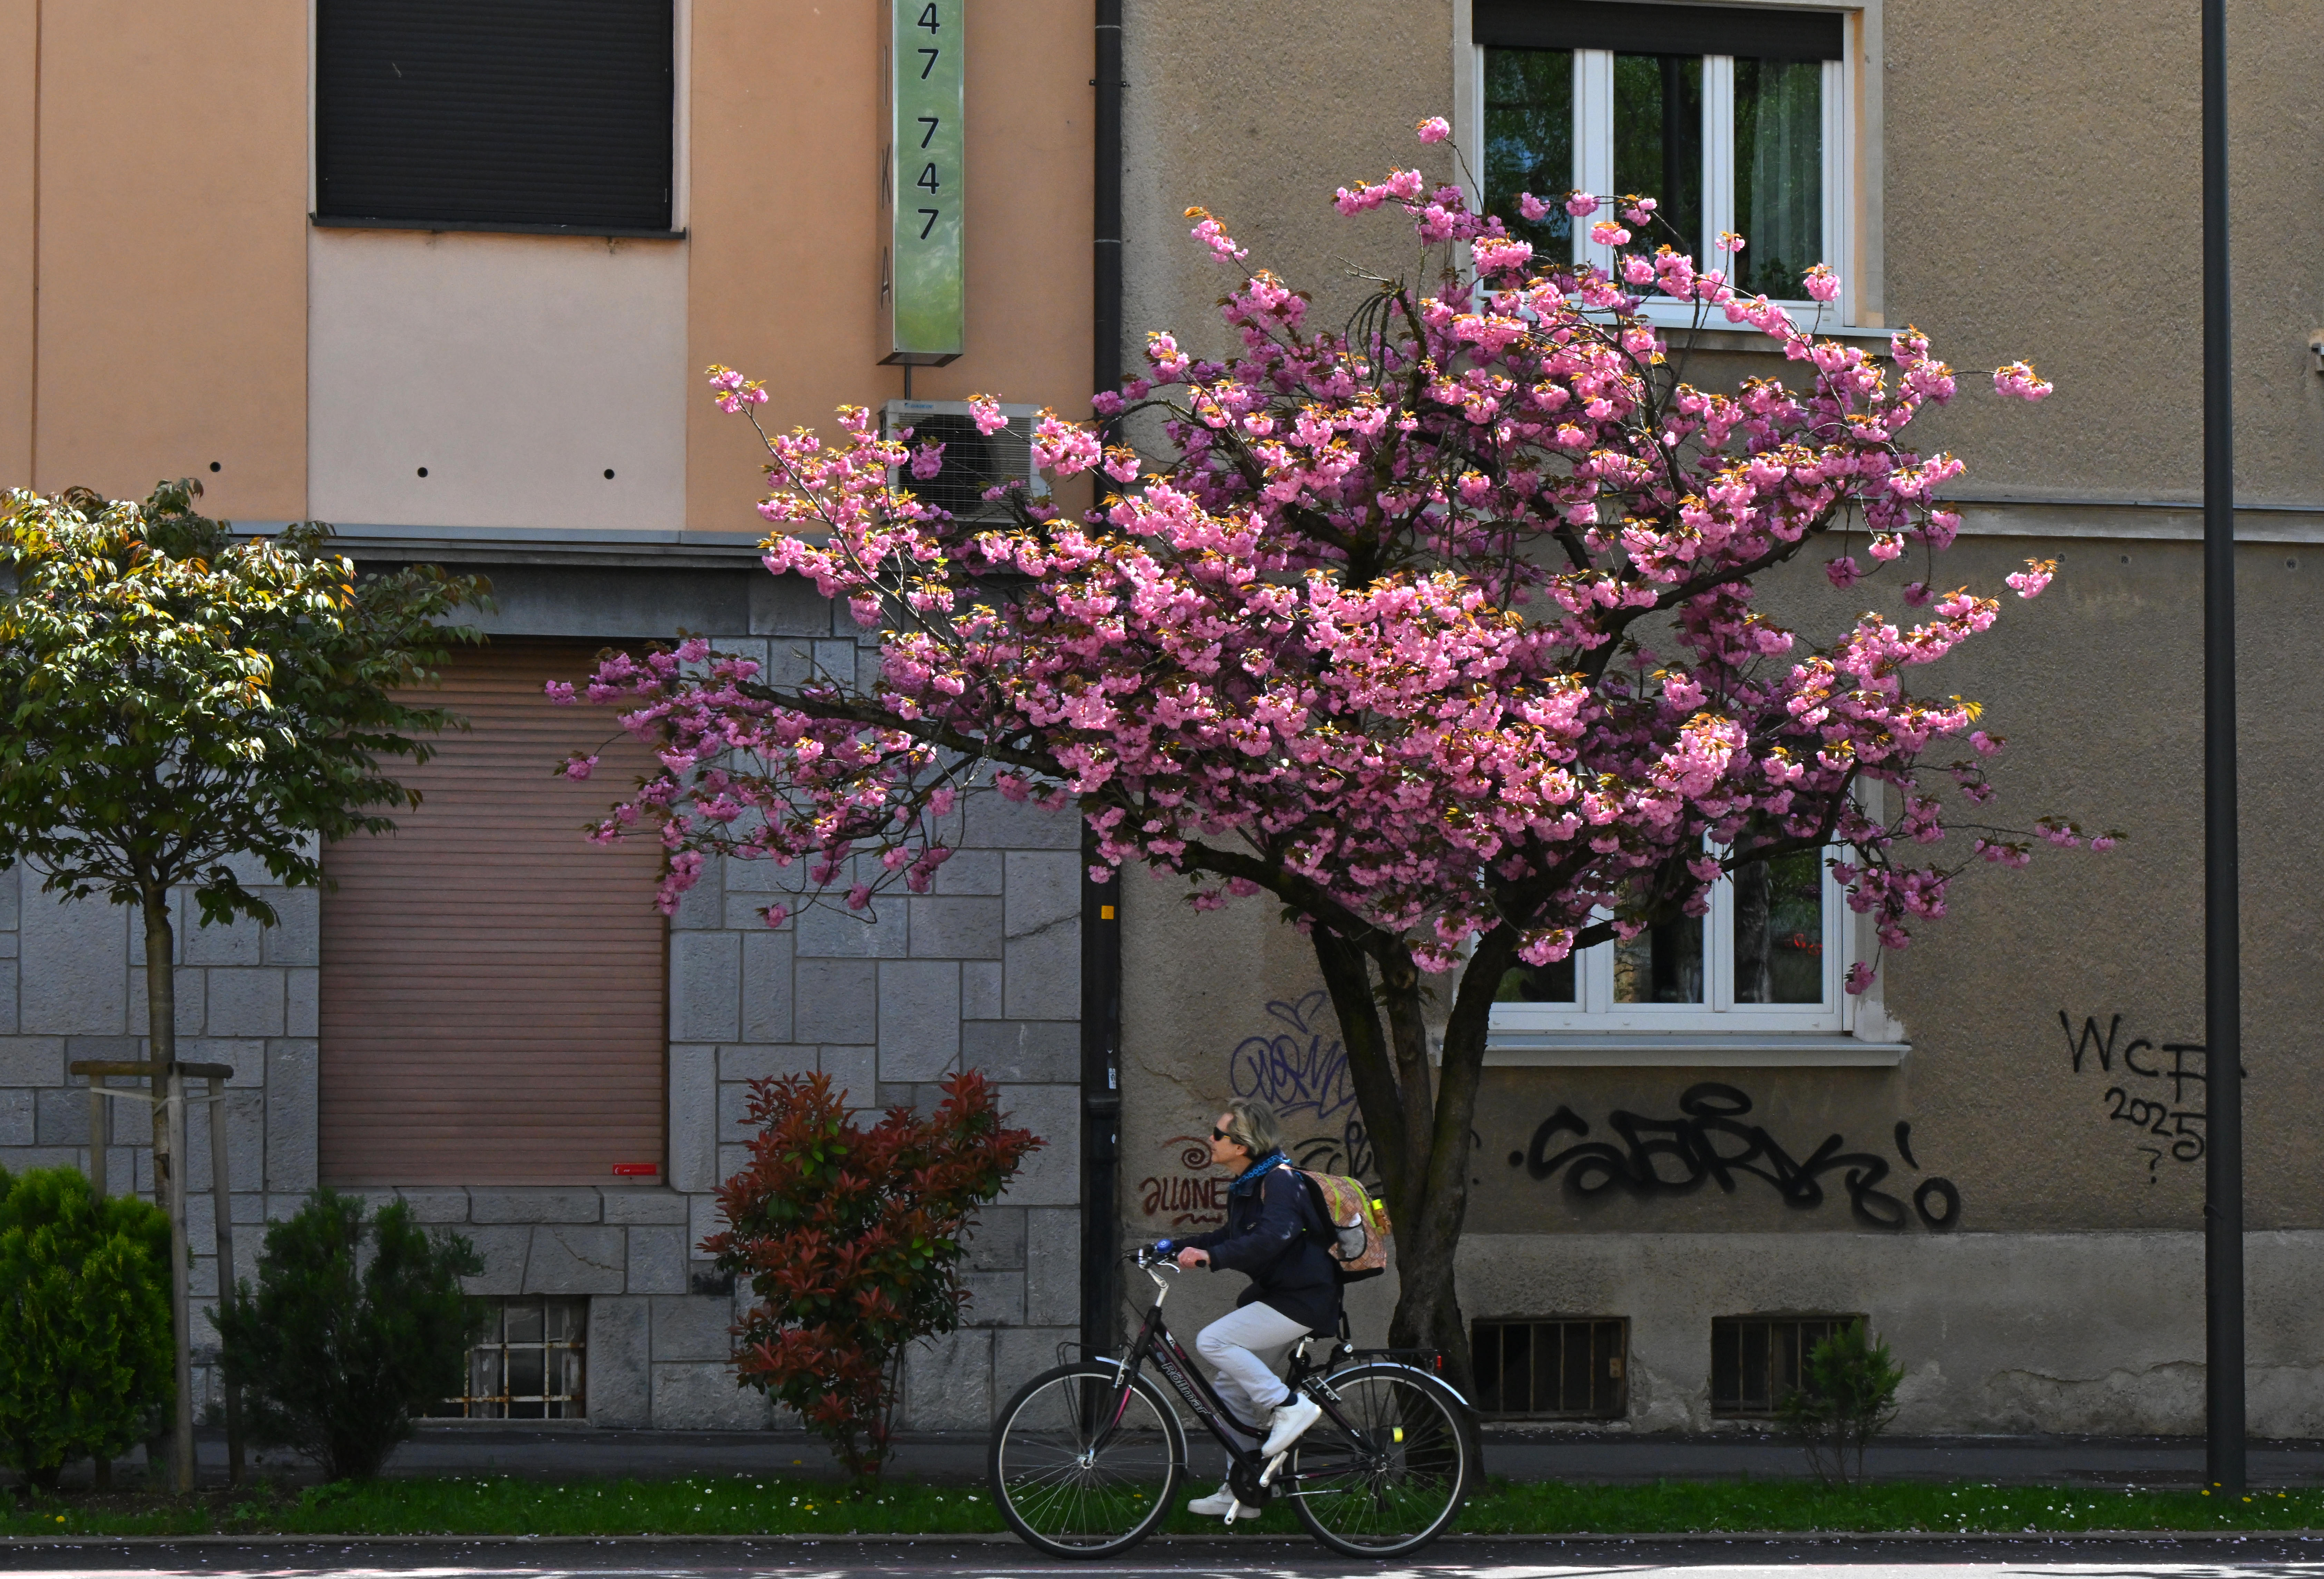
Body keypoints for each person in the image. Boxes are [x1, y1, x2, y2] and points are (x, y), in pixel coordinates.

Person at [1164, 1097, 1337, 1521]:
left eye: (1218, 1133)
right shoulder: (1248, 1182)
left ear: (1240, 1144)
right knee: (1229, 1388)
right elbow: (1231, 1233)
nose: (1211, 1138)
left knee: (1213, 1339)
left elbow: (1273, 1236)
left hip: (1303, 1297)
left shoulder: (1278, 1180)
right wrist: (1174, 1246)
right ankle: (1240, 1492)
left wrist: (1212, 1258)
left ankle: (1288, 1406)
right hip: (1280, 1294)